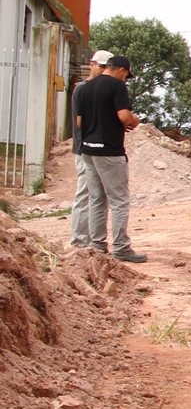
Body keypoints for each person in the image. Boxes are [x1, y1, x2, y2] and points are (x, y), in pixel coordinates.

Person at [72, 54, 145, 263]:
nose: (125, 80)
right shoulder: (117, 87)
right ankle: (121, 247)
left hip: (88, 150)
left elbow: (79, 123)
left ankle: (97, 245)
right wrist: (134, 120)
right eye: (126, 76)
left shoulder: (85, 88)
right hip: (110, 150)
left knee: (96, 199)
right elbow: (123, 116)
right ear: (121, 70)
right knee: (119, 200)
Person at [67, 49, 112, 251]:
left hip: (98, 151)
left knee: (98, 195)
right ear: (92, 65)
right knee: (85, 193)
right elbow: (80, 123)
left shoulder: (99, 89)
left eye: (106, 68)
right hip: (85, 149)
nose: (103, 71)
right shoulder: (82, 89)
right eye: (101, 67)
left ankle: (92, 241)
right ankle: (79, 241)